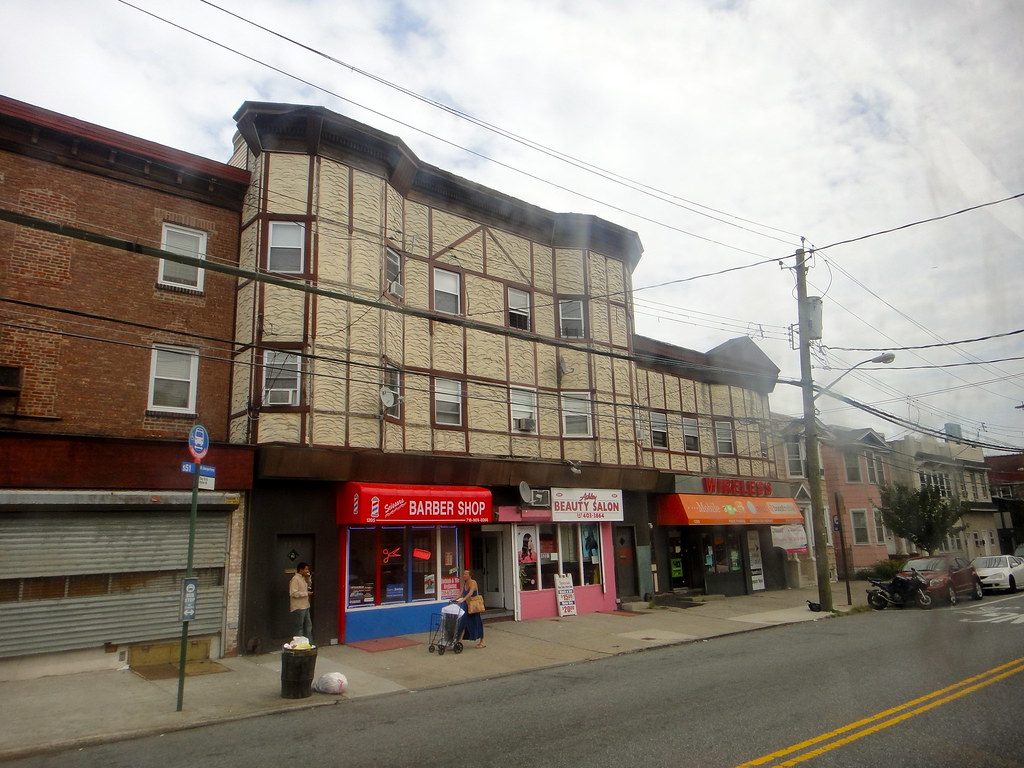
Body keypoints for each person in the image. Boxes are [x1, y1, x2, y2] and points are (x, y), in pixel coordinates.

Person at [454, 568, 485, 648]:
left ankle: (482, 641)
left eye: (465, 574)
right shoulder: (464, 583)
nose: (464, 575)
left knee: (477, 622)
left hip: (473, 607)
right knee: (463, 622)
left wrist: (463, 599)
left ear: (470, 575)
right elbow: (460, 593)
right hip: (466, 606)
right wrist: (454, 599)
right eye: (463, 574)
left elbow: (470, 593)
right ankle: (458, 641)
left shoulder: (473, 582)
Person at [289, 562, 313, 639]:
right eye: (306, 569)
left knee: (308, 626)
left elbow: (309, 585)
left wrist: (308, 578)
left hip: (305, 606)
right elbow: (293, 593)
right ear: (301, 569)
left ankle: (308, 643)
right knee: (299, 628)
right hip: (298, 607)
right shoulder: (295, 579)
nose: (307, 570)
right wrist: (306, 593)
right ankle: (299, 645)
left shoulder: (303, 578)